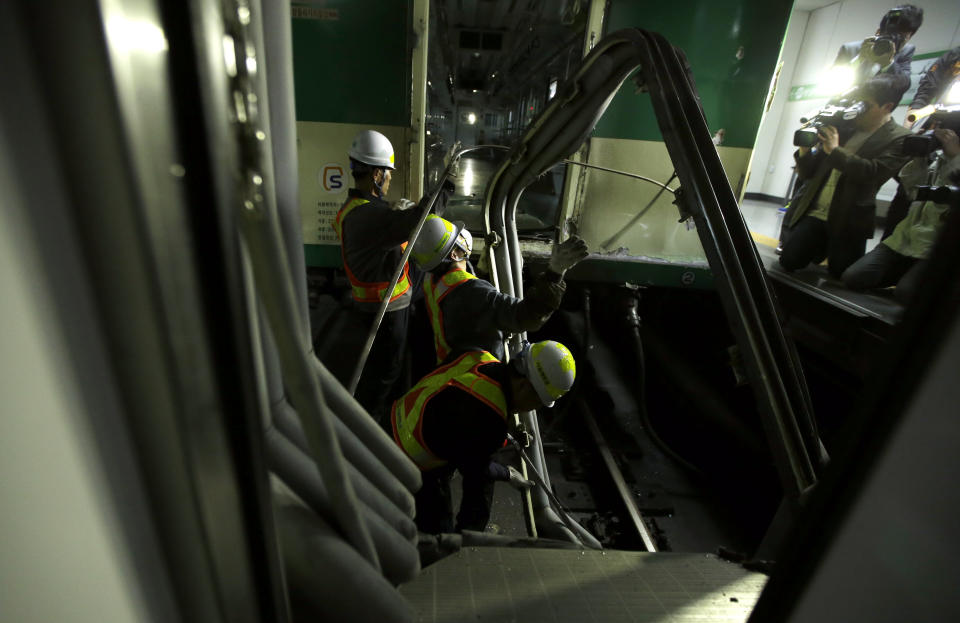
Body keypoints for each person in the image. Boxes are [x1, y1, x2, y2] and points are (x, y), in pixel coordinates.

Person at [391, 340, 577, 534]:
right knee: (441, 537)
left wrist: (503, 471)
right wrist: (471, 538)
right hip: (409, 463)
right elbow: (477, 488)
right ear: (524, 386)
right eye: (537, 402)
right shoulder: (490, 421)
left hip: (391, 422)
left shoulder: (476, 354)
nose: (534, 409)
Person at [332, 130, 453, 422]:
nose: (388, 179)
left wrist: (391, 212)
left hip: (381, 303)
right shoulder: (368, 217)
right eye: (386, 173)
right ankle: (370, 429)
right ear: (376, 174)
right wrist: (447, 182)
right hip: (386, 310)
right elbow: (421, 220)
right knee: (386, 374)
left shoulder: (357, 209)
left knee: (386, 370)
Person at [779, 73, 912, 277]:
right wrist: (805, 150)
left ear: (887, 106)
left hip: (850, 218)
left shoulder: (900, 138)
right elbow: (809, 173)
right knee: (789, 261)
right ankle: (815, 250)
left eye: (866, 105)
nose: (859, 110)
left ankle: (823, 252)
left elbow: (872, 173)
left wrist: (835, 150)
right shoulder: (846, 127)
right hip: (817, 212)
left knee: (842, 274)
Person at [410, 214, 589, 363]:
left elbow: (462, 302)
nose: (463, 237)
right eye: (457, 239)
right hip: (480, 377)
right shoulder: (474, 293)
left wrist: (479, 272)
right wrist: (555, 272)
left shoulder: (430, 280)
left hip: (451, 369)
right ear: (455, 254)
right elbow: (527, 317)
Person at [843, 128, 960, 303]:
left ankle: (914, 278)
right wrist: (919, 156)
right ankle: (909, 274)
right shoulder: (936, 162)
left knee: (905, 294)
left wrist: (955, 157)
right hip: (904, 240)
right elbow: (912, 191)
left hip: (933, 248)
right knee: (853, 277)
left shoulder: (954, 162)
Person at [884, 46, 960, 237]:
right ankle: (890, 242)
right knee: (906, 189)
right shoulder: (953, 55)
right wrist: (912, 120)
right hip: (938, 125)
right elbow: (928, 87)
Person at [833, 5, 923, 85]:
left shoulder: (905, 51)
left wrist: (888, 64)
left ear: (909, 37)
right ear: (878, 32)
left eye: (900, 38)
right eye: (888, 36)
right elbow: (833, 80)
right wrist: (859, 59)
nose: (893, 43)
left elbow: (904, 84)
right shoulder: (849, 49)